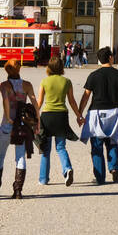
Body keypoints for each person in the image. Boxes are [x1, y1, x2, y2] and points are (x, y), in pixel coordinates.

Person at [78, 48, 118, 182]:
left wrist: (79, 113)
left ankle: (100, 177)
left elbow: (86, 96)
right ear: (110, 57)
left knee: (97, 144)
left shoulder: (93, 75)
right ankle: (114, 168)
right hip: (113, 111)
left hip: (96, 111)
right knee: (112, 141)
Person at [0, 60, 38, 199]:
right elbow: (35, 103)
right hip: (22, 125)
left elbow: (5, 101)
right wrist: (37, 121)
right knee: (20, 156)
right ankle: (17, 190)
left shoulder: (4, 85)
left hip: (7, 124)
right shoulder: (27, 85)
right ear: (19, 68)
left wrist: (9, 118)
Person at [37, 58, 80, 186]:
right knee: (61, 147)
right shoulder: (67, 81)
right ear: (61, 67)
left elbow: (39, 102)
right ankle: (67, 169)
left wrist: (34, 115)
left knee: (46, 149)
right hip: (61, 116)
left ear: (49, 67)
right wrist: (79, 115)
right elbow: (72, 101)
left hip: (47, 116)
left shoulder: (44, 81)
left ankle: (43, 179)